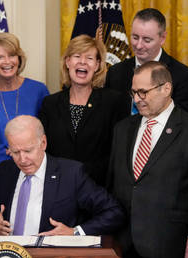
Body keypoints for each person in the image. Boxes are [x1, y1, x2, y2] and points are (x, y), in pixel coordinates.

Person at [107, 61, 188, 258]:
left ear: (166, 88)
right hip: (123, 239)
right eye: (133, 93)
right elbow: (114, 183)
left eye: (143, 92)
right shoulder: (122, 129)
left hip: (169, 240)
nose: (137, 99)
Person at [0, 115, 124, 236]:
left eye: (28, 151)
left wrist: (74, 233)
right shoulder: (5, 171)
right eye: (15, 152)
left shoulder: (71, 174)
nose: (22, 160)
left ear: (43, 143)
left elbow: (114, 212)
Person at [38, 34, 128, 187]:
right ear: (67, 62)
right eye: (77, 56)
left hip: (99, 189)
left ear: (98, 64)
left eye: (90, 58)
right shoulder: (50, 103)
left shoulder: (114, 102)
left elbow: (119, 152)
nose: (82, 62)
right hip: (58, 188)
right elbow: (43, 149)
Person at [0, 32, 49, 196]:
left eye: (12, 55)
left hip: (33, 173)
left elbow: (49, 136)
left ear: (19, 59)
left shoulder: (38, 90)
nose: (7, 62)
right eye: (0, 57)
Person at [104, 8, 188, 115]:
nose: (138, 45)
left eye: (147, 40)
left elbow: (185, 122)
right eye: (135, 37)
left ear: (162, 38)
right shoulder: (115, 72)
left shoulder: (182, 75)